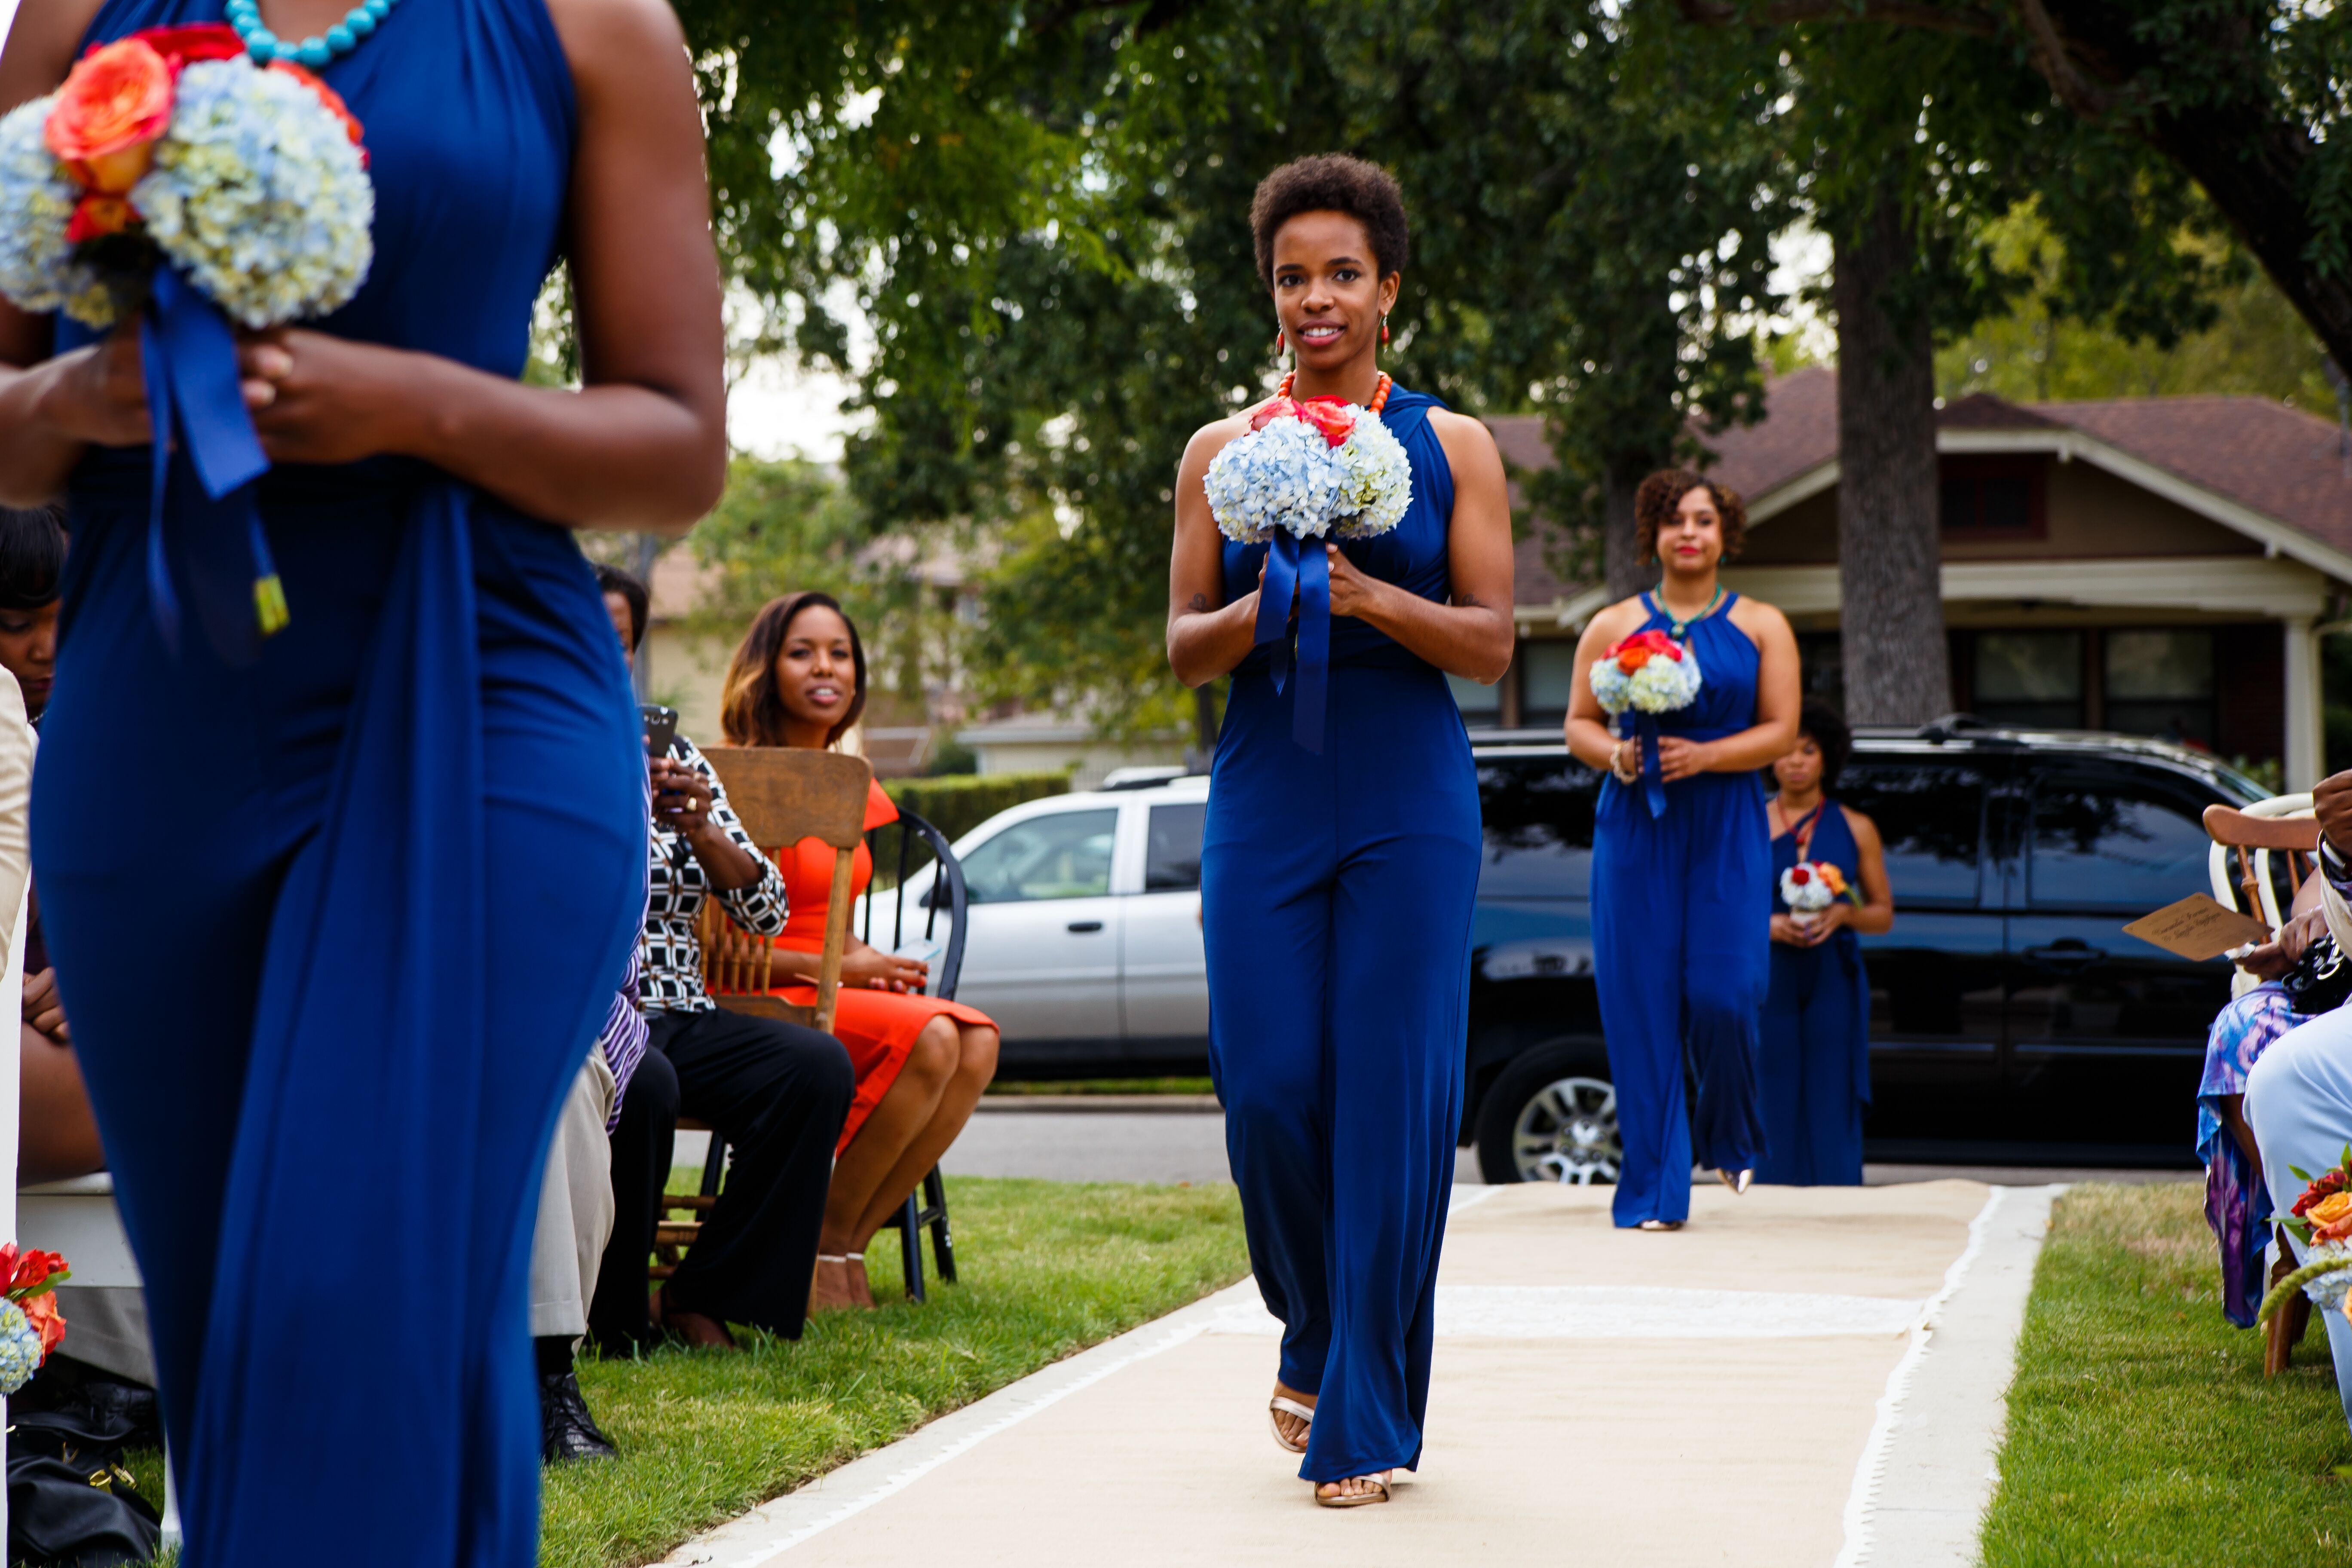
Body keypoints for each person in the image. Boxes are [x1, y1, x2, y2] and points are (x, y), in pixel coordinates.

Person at [0, 0, 725, 1556]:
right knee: (230, 1320)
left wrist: (412, 405)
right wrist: (75, 400)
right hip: (157, 720)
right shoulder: (75, 22)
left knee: (354, 1282)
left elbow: (675, 443)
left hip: (480, 694)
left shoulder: (595, 28)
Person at [1167, 155, 1514, 1507]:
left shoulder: (1455, 444)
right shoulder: (1218, 452)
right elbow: (1188, 648)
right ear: (1271, 295)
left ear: (1389, 291)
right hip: (1265, 791)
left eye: (1343, 274)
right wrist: (1278, 603)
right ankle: (1308, 1318)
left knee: (1390, 1099)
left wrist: (1366, 599)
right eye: (1292, 275)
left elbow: (1489, 642)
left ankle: (1362, 1407)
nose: (1318, 297)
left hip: (1408, 801)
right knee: (1266, 1089)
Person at [584, 565, 853, 1353]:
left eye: (622, 641)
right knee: (648, 1078)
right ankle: (616, 1316)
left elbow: (764, 909)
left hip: (682, 1010)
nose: (608, 654)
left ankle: (709, 1294)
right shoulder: (541, 752)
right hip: (595, 1011)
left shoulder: (676, 760)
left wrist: (700, 828)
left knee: (813, 1066)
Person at [719, 592, 999, 1311]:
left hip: (831, 986)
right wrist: (839, 967)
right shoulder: (740, 781)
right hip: (760, 991)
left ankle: (840, 1239)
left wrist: (873, 962)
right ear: (766, 667)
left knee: (974, 1040)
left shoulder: (852, 782)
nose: (825, 668)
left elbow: (834, 924)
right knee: (935, 1039)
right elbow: (718, 950)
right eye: (802, 651)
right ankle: (823, 1237)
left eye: (840, 653)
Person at [1563, 470, 1800, 1230]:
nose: (1688, 532)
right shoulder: (1611, 624)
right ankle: (1654, 1190)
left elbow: (1781, 731)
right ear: (1653, 537)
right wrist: (1616, 757)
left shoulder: (1763, 624)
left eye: (1703, 519)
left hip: (1727, 821)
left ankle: (1729, 1131)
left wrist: (1709, 757)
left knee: (1725, 996)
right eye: (1673, 521)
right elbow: (1577, 724)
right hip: (1637, 825)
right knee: (1641, 1008)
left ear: (1725, 534)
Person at [1757, 701, 1892, 1187]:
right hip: (1769, 972)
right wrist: (1767, 925)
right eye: (1786, 751)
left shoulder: (1856, 827)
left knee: (1832, 1087)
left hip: (1833, 974)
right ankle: (1771, 1199)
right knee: (1770, 1083)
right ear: (1769, 757)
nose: (1795, 761)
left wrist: (1844, 913)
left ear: (1827, 758)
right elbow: (1717, 906)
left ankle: (1838, 1200)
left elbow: (1883, 914)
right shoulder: (1747, 823)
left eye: (1808, 751)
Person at [530, 947, 645, 1462]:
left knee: (567, 1077)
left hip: (566, 1003)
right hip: (435, 1002)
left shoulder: (618, 864)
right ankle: (543, 1380)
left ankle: (549, 1379)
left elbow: (616, 968)